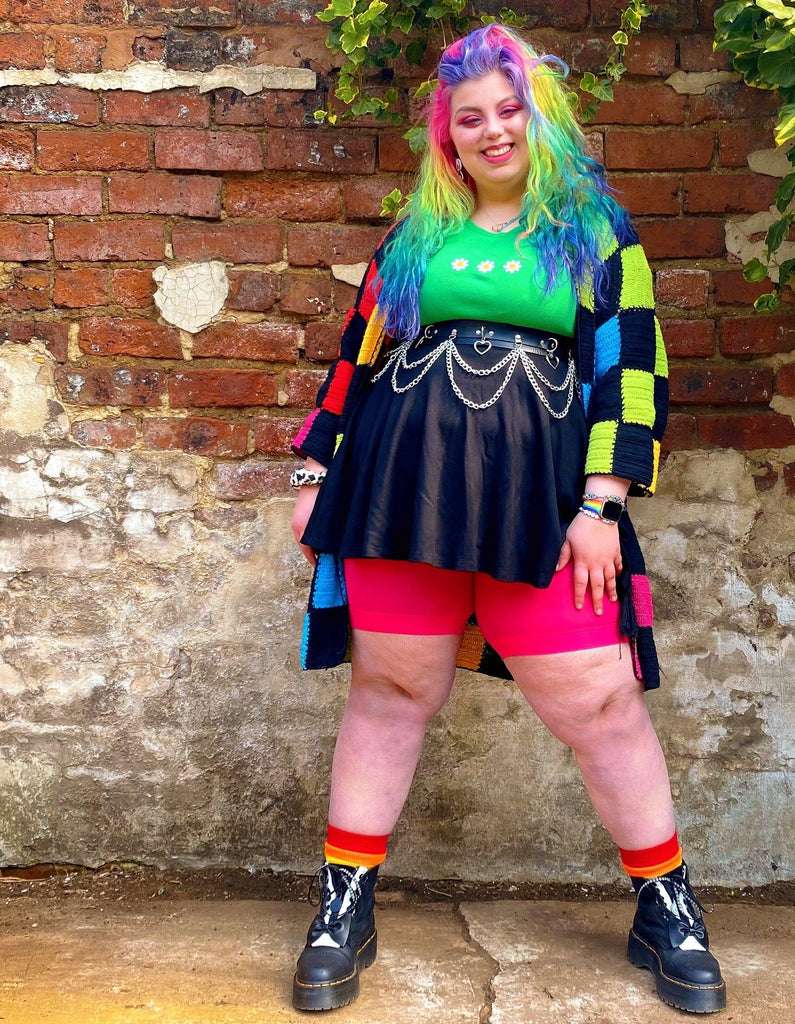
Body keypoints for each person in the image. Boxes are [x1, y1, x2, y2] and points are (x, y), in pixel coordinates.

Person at [287, 24, 726, 1016]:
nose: (491, 131)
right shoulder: (416, 236)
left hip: (548, 503)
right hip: (399, 494)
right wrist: (314, 467)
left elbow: (633, 371)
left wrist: (602, 505)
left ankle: (665, 907)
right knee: (390, 691)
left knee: (599, 699)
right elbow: (355, 357)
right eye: (469, 117)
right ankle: (344, 905)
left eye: (509, 109)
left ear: (542, 117)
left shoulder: (595, 233)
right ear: (446, 135)